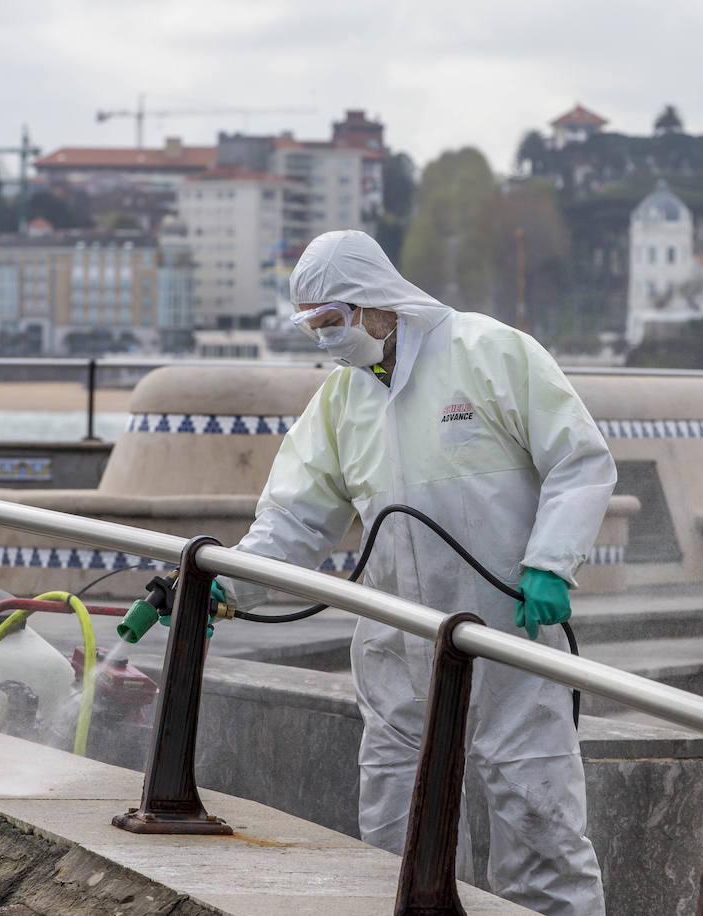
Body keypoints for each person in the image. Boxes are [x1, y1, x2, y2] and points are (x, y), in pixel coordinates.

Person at [220, 230, 615, 914]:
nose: (327, 341)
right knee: (398, 840)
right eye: (313, 328)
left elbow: (578, 462)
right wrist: (222, 586)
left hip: (507, 640)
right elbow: (294, 522)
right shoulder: (342, 403)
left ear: (375, 303)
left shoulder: (489, 353)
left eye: (333, 323)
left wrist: (550, 562)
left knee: (540, 828)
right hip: (397, 651)